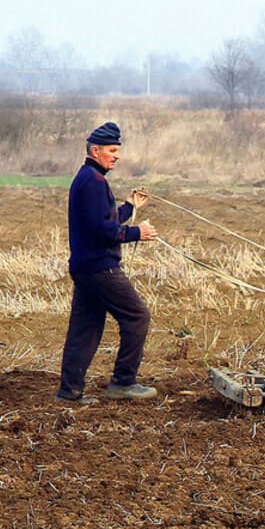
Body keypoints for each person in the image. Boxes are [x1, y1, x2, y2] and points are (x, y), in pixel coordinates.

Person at [56, 121, 160, 403]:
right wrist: (139, 232)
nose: (117, 156)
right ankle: (123, 382)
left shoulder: (88, 178)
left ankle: (69, 392)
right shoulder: (93, 182)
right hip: (100, 268)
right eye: (112, 150)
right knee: (137, 316)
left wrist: (130, 207)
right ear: (95, 150)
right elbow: (103, 230)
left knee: (85, 329)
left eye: (117, 150)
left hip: (85, 267)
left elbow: (105, 220)